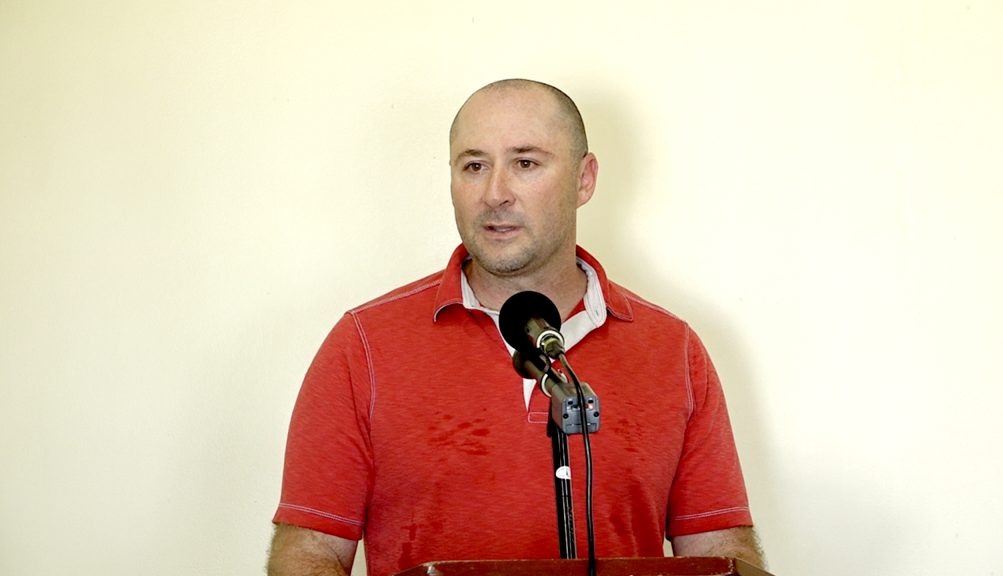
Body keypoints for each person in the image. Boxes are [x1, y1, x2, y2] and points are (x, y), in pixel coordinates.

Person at [267, 79, 764, 576]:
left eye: (525, 163)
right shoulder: (364, 345)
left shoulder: (672, 350)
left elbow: (721, 555)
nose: (494, 194)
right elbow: (309, 556)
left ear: (584, 179)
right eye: (474, 166)